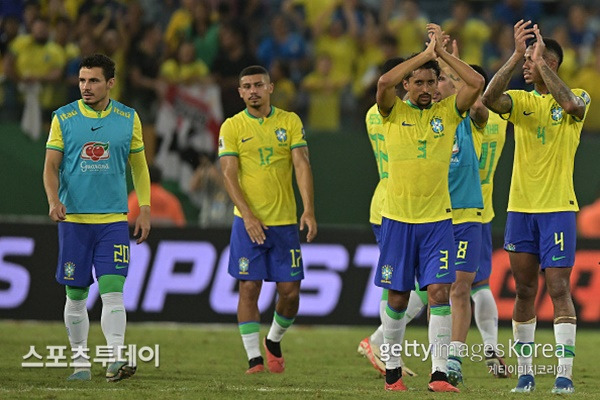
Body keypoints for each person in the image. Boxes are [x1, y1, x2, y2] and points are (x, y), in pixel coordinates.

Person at [482, 20, 591, 394]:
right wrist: (515, 55)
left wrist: (541, 62)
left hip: (558, 207)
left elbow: (571, 106)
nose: (527, 66)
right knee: (525, 290)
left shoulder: (578, 95)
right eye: (527, 60)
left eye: (531, 60)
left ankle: (564, 374)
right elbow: (489, 100)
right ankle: (526, 373)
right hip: (521, 209)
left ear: (551, 63)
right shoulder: (523, 101)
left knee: (558, 288)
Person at [374, 24, 484, 392]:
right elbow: (383, 84)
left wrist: (441, 54)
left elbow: (475, 84)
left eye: (430, 83)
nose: (425, 89)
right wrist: (423, 56)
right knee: (399, 297)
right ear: (408, 85)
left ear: (438, 85)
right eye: (417, 83)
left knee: (440, 292)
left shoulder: (449, 114)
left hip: (438, 221)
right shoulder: (390, 113)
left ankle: (439, 374)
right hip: (398, 220)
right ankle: (392, 369)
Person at [42, 54, 151, 382]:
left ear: (111, 83)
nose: (86, 87)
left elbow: (139, 165)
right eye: (82, 80)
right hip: (74, 221)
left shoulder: (129, 118)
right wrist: (52, 200)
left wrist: (144, 208)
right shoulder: (63, 117)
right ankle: (79, 363)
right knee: (76, 295)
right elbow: (50, 166)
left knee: (113, 290)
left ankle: (115, 359)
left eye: (93, 81)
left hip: (114, 221)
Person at [218, 65, 317, 374]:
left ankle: (273, 341)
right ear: (240, 92)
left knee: (290, 293)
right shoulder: (231, 126)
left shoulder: (289, 121)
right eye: (246, 86)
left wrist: (308, 208)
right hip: (248, 224)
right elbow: (228, 173)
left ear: (270, 88)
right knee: (249, 288)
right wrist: (247, 215)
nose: (252, 91)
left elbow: (301, 164)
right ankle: (254, 359)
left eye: (258, 85)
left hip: (284, 223)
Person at [358, 57, 417, 378]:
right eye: (413, 80)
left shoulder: (376, 113)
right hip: (393, 206)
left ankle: (384, 343)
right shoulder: (388, 114)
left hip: (399, 204)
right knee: (400, 282)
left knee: (416, 283)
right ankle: (380, 342)